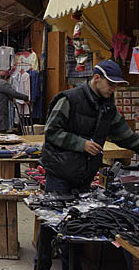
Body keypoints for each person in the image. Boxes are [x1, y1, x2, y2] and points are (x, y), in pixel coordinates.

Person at [36, 60, 139, 270]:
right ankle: (42, 265)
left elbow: (126, 136)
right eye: (111, 84)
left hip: (83, 174)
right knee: (52, 222)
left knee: (76, 226)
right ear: (97, 78)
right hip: (59, 171)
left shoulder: (108, 107)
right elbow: (52, 131)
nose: (113, 89)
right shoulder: (70, 99)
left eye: (116, 85)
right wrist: (81, 144)